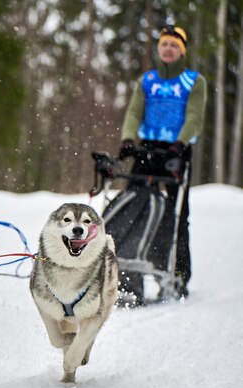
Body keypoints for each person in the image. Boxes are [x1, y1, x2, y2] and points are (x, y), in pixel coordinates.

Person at [118, 25, 207, 299]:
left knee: (177, 215)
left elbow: (194, 116)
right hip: (146, 150)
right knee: (134, 205)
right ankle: (127, 272)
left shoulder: (194, 81)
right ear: (159, 49)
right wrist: (128, 139)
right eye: (164, 44)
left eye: (174, 45)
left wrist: (179, 143)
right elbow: (134, 112)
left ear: (182, 51)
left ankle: (178, 273)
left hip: (176, 153)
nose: (168, 49)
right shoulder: (147, 81)